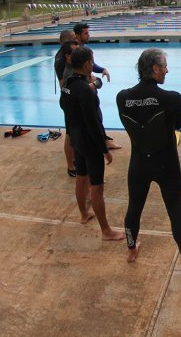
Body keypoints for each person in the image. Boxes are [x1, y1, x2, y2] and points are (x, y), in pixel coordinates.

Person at [116, 49, 181, 274]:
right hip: (166, 163)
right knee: (175, 212)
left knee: (134, 208)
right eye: (164, 66)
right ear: (155, 69)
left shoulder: (122, 97)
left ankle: (131, 249)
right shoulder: (172, 98)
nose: (167, 70)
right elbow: (178, 125)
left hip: (138, 163)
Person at [60, 46, 124, 241]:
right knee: (97, 186)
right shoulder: (85, 91)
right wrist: (104, 150)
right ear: (87, 64)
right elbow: (94, 123)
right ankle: (106, 231)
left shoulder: (68, 84)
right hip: (89, 142)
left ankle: (84, 214)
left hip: (77, 139)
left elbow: (66, 109)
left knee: (81, 177)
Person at [73, 22, 121, 150]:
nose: (88, 35)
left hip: (84, 86)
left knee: (95, 116)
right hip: (84, 89)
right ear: (77, 35)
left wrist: (102, 69)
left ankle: (101, 139)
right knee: (94, 117)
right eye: (86, 33)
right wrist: (93, 81)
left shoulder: (85, 50)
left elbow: (92, 65)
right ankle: (103, 143)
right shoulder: (73, 51)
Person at [54, 30, 78, 177]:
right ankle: (71, 167)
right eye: (74, 39)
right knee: (70, 134)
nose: (77, 41)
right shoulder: (61, 60)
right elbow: (64, 85)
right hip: (69, 101)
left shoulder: (68, 55)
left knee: (75, 133)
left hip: (73, 100)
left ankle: (75, 160)